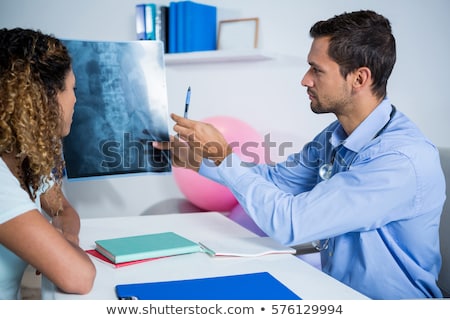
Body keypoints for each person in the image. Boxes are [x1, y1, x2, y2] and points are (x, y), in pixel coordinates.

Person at [154, 10, 446, 299]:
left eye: (316, 70)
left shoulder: (399, 161)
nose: (305, 80)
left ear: (359, 78)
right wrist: (199, 161)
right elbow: (278, 180)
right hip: (334, 293)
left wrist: (223, 156)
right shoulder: (337, 134)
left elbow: (292, 223)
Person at [0, 28, 96, 299]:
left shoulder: (20, 157)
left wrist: (66, 238)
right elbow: (78, 276)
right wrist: (62, 252)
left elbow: (61, 208)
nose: (75, 99)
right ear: (47, 96)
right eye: (72, 88)